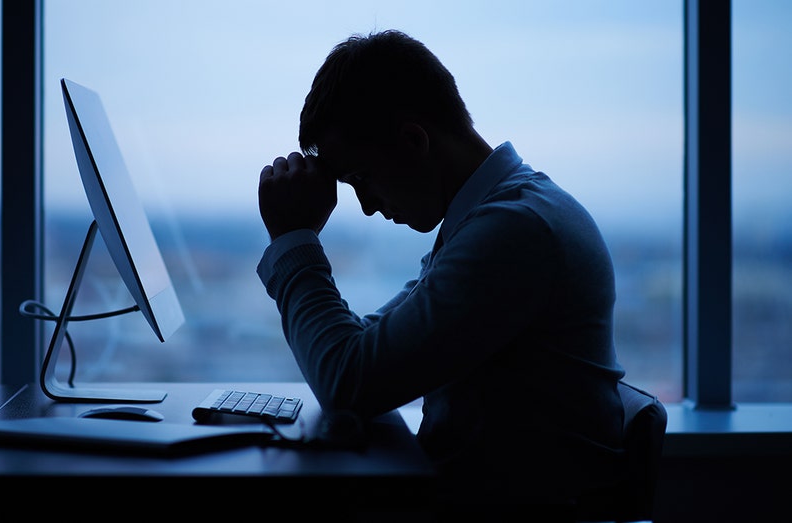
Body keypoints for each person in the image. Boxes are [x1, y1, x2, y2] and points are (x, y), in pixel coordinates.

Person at [256, 29, 627, 518]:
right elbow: (371, 349)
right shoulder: (496, 218)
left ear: (414, 140)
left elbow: (350, 382)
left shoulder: (515, 233)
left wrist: (292, 239)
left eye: (363, 178)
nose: (366, 207)